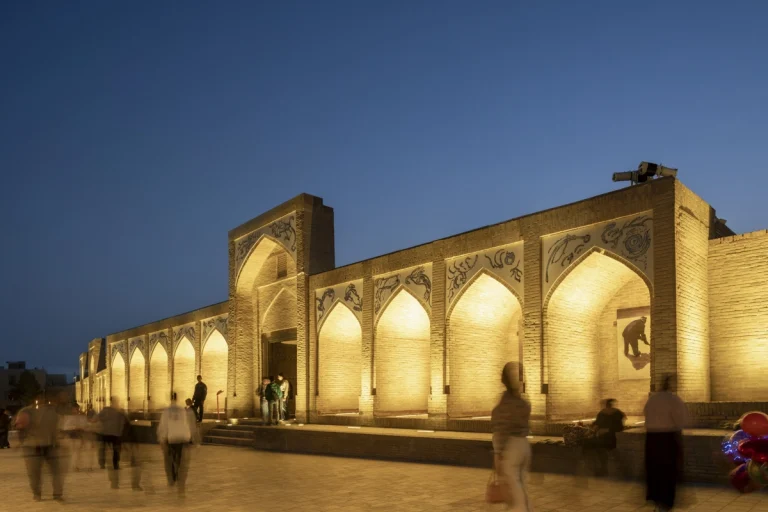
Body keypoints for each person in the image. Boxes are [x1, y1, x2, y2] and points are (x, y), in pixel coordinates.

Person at [491, 362, 532, 512]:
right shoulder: (523, 403)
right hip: (524, 445)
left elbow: (501, 430)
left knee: (514, 492)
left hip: (511, 447)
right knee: (520, 486)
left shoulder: (505, 404)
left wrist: (497, 453)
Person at [644, 374, 688, 512]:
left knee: (654, 470)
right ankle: (666, 503)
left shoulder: (652, 400)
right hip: (668, 439)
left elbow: (646, 417)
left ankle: (657, 500)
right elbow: (681, 420)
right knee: (668, 471)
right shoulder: (674, 400)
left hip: (651, 439)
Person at [15, 393, 63, 501]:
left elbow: (54, 428)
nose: (41, 402)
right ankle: (38, 493)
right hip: (33, 445)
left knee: (54, 471)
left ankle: (56, 492)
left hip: (48, 444)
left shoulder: (51, 412)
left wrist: (56, 441)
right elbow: (19, 426)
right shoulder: (26, 411)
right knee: (35, 472)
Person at [157, 392, 199, 498]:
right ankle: (180, 480)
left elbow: (163, 426)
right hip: (182, 438)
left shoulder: (166, 411)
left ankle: (173, 478)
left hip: (172, 439)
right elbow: (188, 424)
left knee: (170, 458)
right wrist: (192, 437)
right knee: (181, 461)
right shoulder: (182, 410)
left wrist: (162, 439)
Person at [583, 399, 626, 476]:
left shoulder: (617, 413)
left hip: (612, 436)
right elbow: (597, 424)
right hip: (601, 436)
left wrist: (607, 430)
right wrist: (591, 431)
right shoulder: (602, 413)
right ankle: (595, 468)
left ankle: (603, 469)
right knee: (587, 443)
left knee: (600, 446)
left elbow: (619, 427)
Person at [97, 397, 127, 488]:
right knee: (115, 450)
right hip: (115, 434)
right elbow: (124, 422)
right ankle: (115, 464)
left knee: (103, 448)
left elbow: (98, 418)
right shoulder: (119, 412)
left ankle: (102, 463)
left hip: (106, 432)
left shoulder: (106, 410)